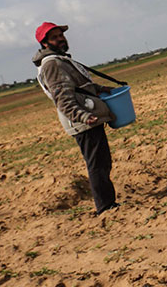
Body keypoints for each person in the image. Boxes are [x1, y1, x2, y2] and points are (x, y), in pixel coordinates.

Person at [33, 22, 119, 215]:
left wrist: (102, 89)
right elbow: (62, 98)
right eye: (54, 37)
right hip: (83, 121)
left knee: (102, 162)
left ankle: (108, 203)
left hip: (88, 117)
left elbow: (80, 86)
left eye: (61, 35)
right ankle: (106, 207)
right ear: (45, 43)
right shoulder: (52, 64)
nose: (60, 39)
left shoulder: (60, 60)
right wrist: (82, 116)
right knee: (97, 164)